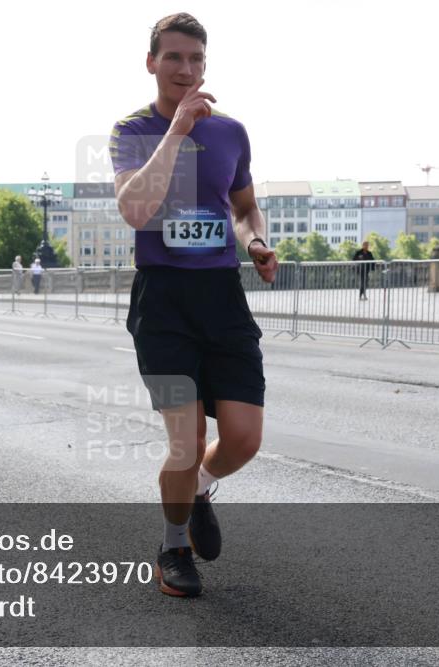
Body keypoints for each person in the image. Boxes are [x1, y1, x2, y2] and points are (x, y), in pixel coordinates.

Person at [111, 13, 278, 598]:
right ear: (152, 62)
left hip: (221, 297)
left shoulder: (232, 131)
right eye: (175, 58)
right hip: (164, 300)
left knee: (243, 438)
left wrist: (255, 239)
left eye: (197, 60)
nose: (187, 70)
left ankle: (201, 485)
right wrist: (177, 132)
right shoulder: (132, 129)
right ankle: (173, 544)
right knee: (182, 440)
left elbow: (245, 206)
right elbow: (135, 209)